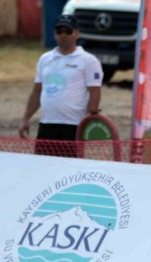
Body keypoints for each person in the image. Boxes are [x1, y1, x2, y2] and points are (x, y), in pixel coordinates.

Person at [19, 14, 103, 157]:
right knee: (42, 165)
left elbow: (95, 92)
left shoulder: (88, 60)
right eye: (59, 31)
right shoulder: (45, 59)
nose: (63, 35)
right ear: (54, 34)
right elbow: (37, 92)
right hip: (47, 124)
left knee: (69, 167)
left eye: (68, 31)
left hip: (73, 125)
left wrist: (88, 121)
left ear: (77, 33)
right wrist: (25, 119)